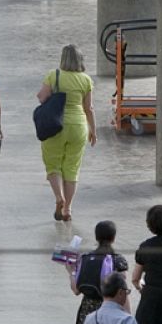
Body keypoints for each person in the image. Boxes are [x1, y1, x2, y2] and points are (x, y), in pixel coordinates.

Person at [37, 44, 96, 222]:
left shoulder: (53, 75)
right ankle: (68, 208)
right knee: (72, 168)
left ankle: (59, 197)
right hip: (78, 126)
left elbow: (41, 97)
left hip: (56, 125)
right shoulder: (86, 80)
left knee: (53, 164)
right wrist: (93, 130)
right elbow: (89, 108)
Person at [69, 220, 128, 324]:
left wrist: (71, 271)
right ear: (113, 238)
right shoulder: (118, 260)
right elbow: (122, 293)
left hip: (86, 315)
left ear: (96, 237)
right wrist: (128, 318)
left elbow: (76, 290)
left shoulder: (85, 258)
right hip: (110, 313)